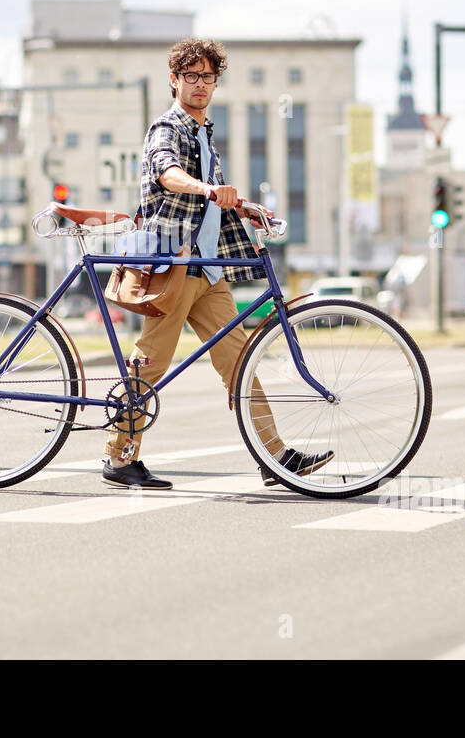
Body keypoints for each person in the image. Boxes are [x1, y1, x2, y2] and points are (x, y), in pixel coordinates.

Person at [100, 38, 335, 489]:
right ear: (174, 80)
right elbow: (167, 172)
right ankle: (118, 456)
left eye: (208, 77)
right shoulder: (167, 128)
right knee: (150, 365)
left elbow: (217, 192)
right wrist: (208, 190)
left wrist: (242, 206)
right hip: (173, 266)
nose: (200, 85)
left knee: (240, 363)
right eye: (191, 76)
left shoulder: (205, 133)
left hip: (208, 270)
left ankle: (276, 457)